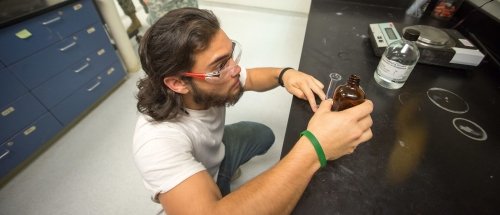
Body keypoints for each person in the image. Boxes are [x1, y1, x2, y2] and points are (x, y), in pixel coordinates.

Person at [133, 8, 373, 215]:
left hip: (214, 155)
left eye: (230, 55)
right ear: (177, 83)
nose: (235, 69)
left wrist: (285, 74)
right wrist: (316, 146)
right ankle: (218, 188)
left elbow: (253, 77)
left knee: (263, 135)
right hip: (200, 189)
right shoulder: (156, 143)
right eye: (220, 66)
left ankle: (221, 174)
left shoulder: (209, 82)